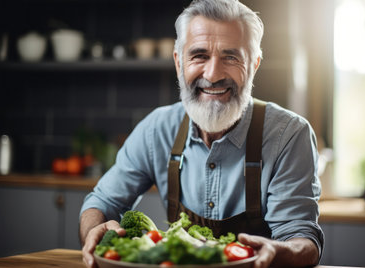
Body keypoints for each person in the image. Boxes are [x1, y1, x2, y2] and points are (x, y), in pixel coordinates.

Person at [79, 0, 324, 267]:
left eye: (231, 57)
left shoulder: (289, 135)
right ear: (178, 63)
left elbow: (302, 239)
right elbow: (101, 202)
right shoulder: (156, 130)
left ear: (253, 65)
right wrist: (95, 230)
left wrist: (280, 252)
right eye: (199, 55)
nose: (213, 73)